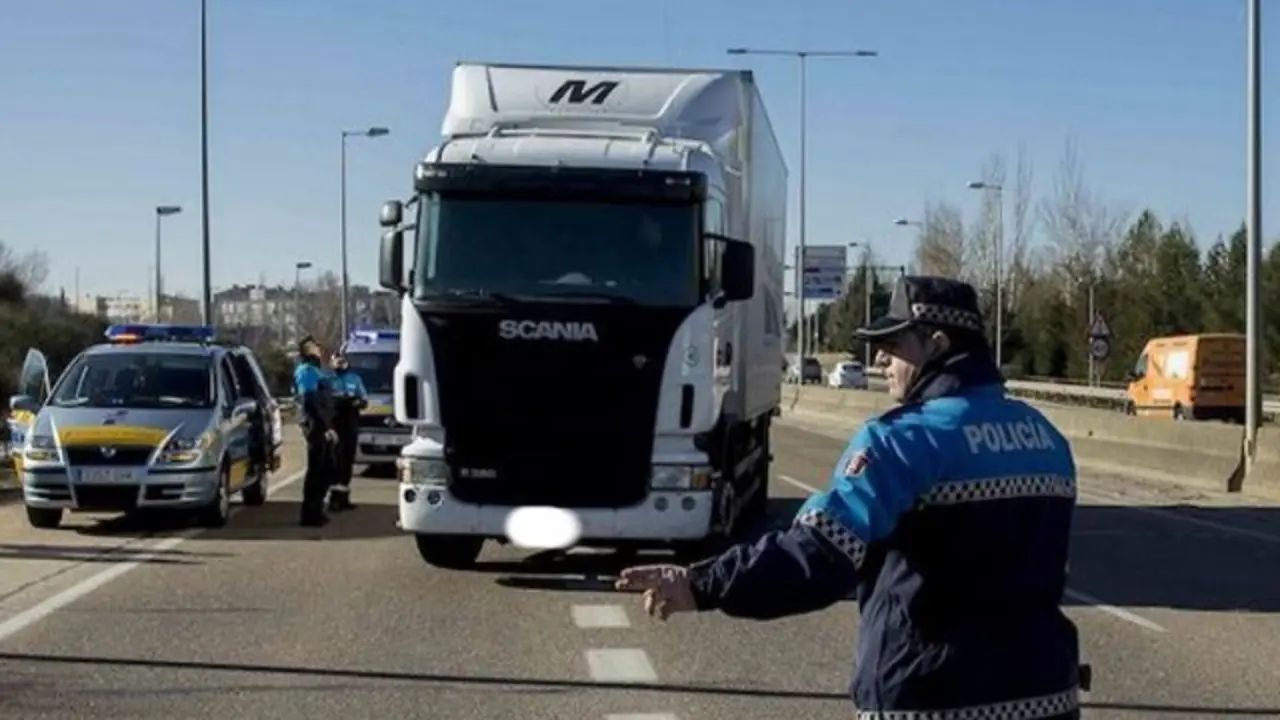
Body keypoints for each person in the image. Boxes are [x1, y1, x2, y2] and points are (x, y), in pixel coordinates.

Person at [616, 275, 1084, 719]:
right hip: (1044, 696)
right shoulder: (1046, 439)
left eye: (893, 346)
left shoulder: (902, 441)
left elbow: (819, 555)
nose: (879, 360)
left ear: (938, 345)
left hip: (931, 699)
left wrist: (702, 584)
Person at [294, 335, 339, 527]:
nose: (318, 348)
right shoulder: (305, 371)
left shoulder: (317, 370)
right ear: (305, 350)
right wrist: (325, 427)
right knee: (317, 469)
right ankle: (310, 512)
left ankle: (317, 507)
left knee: (327, 468)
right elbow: (310, 401)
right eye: (313, 346)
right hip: (315, 425)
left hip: (323, 423)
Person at [327, 351, 367, 512]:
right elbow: (323, 400)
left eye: (342, 361)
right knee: (335, 460)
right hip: (334, 423)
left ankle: (344, 497)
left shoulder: (355, 379)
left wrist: (358, 402)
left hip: (350, 422)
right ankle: (333, 499)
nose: (340, 364)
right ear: (331, 364)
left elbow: (364, 398)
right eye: (336, 362)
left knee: (348, 460)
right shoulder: (327, 380)